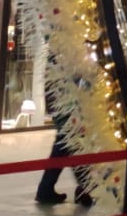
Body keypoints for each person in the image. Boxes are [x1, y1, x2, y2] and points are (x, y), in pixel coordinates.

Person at [33, 73, 94, 207]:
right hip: (69, 111)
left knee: (65, 147)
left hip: (63, 110)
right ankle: (82, 189)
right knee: (71, 147)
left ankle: (47, 189)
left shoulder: (56, 60)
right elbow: (76, 79)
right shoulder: (69, 60)